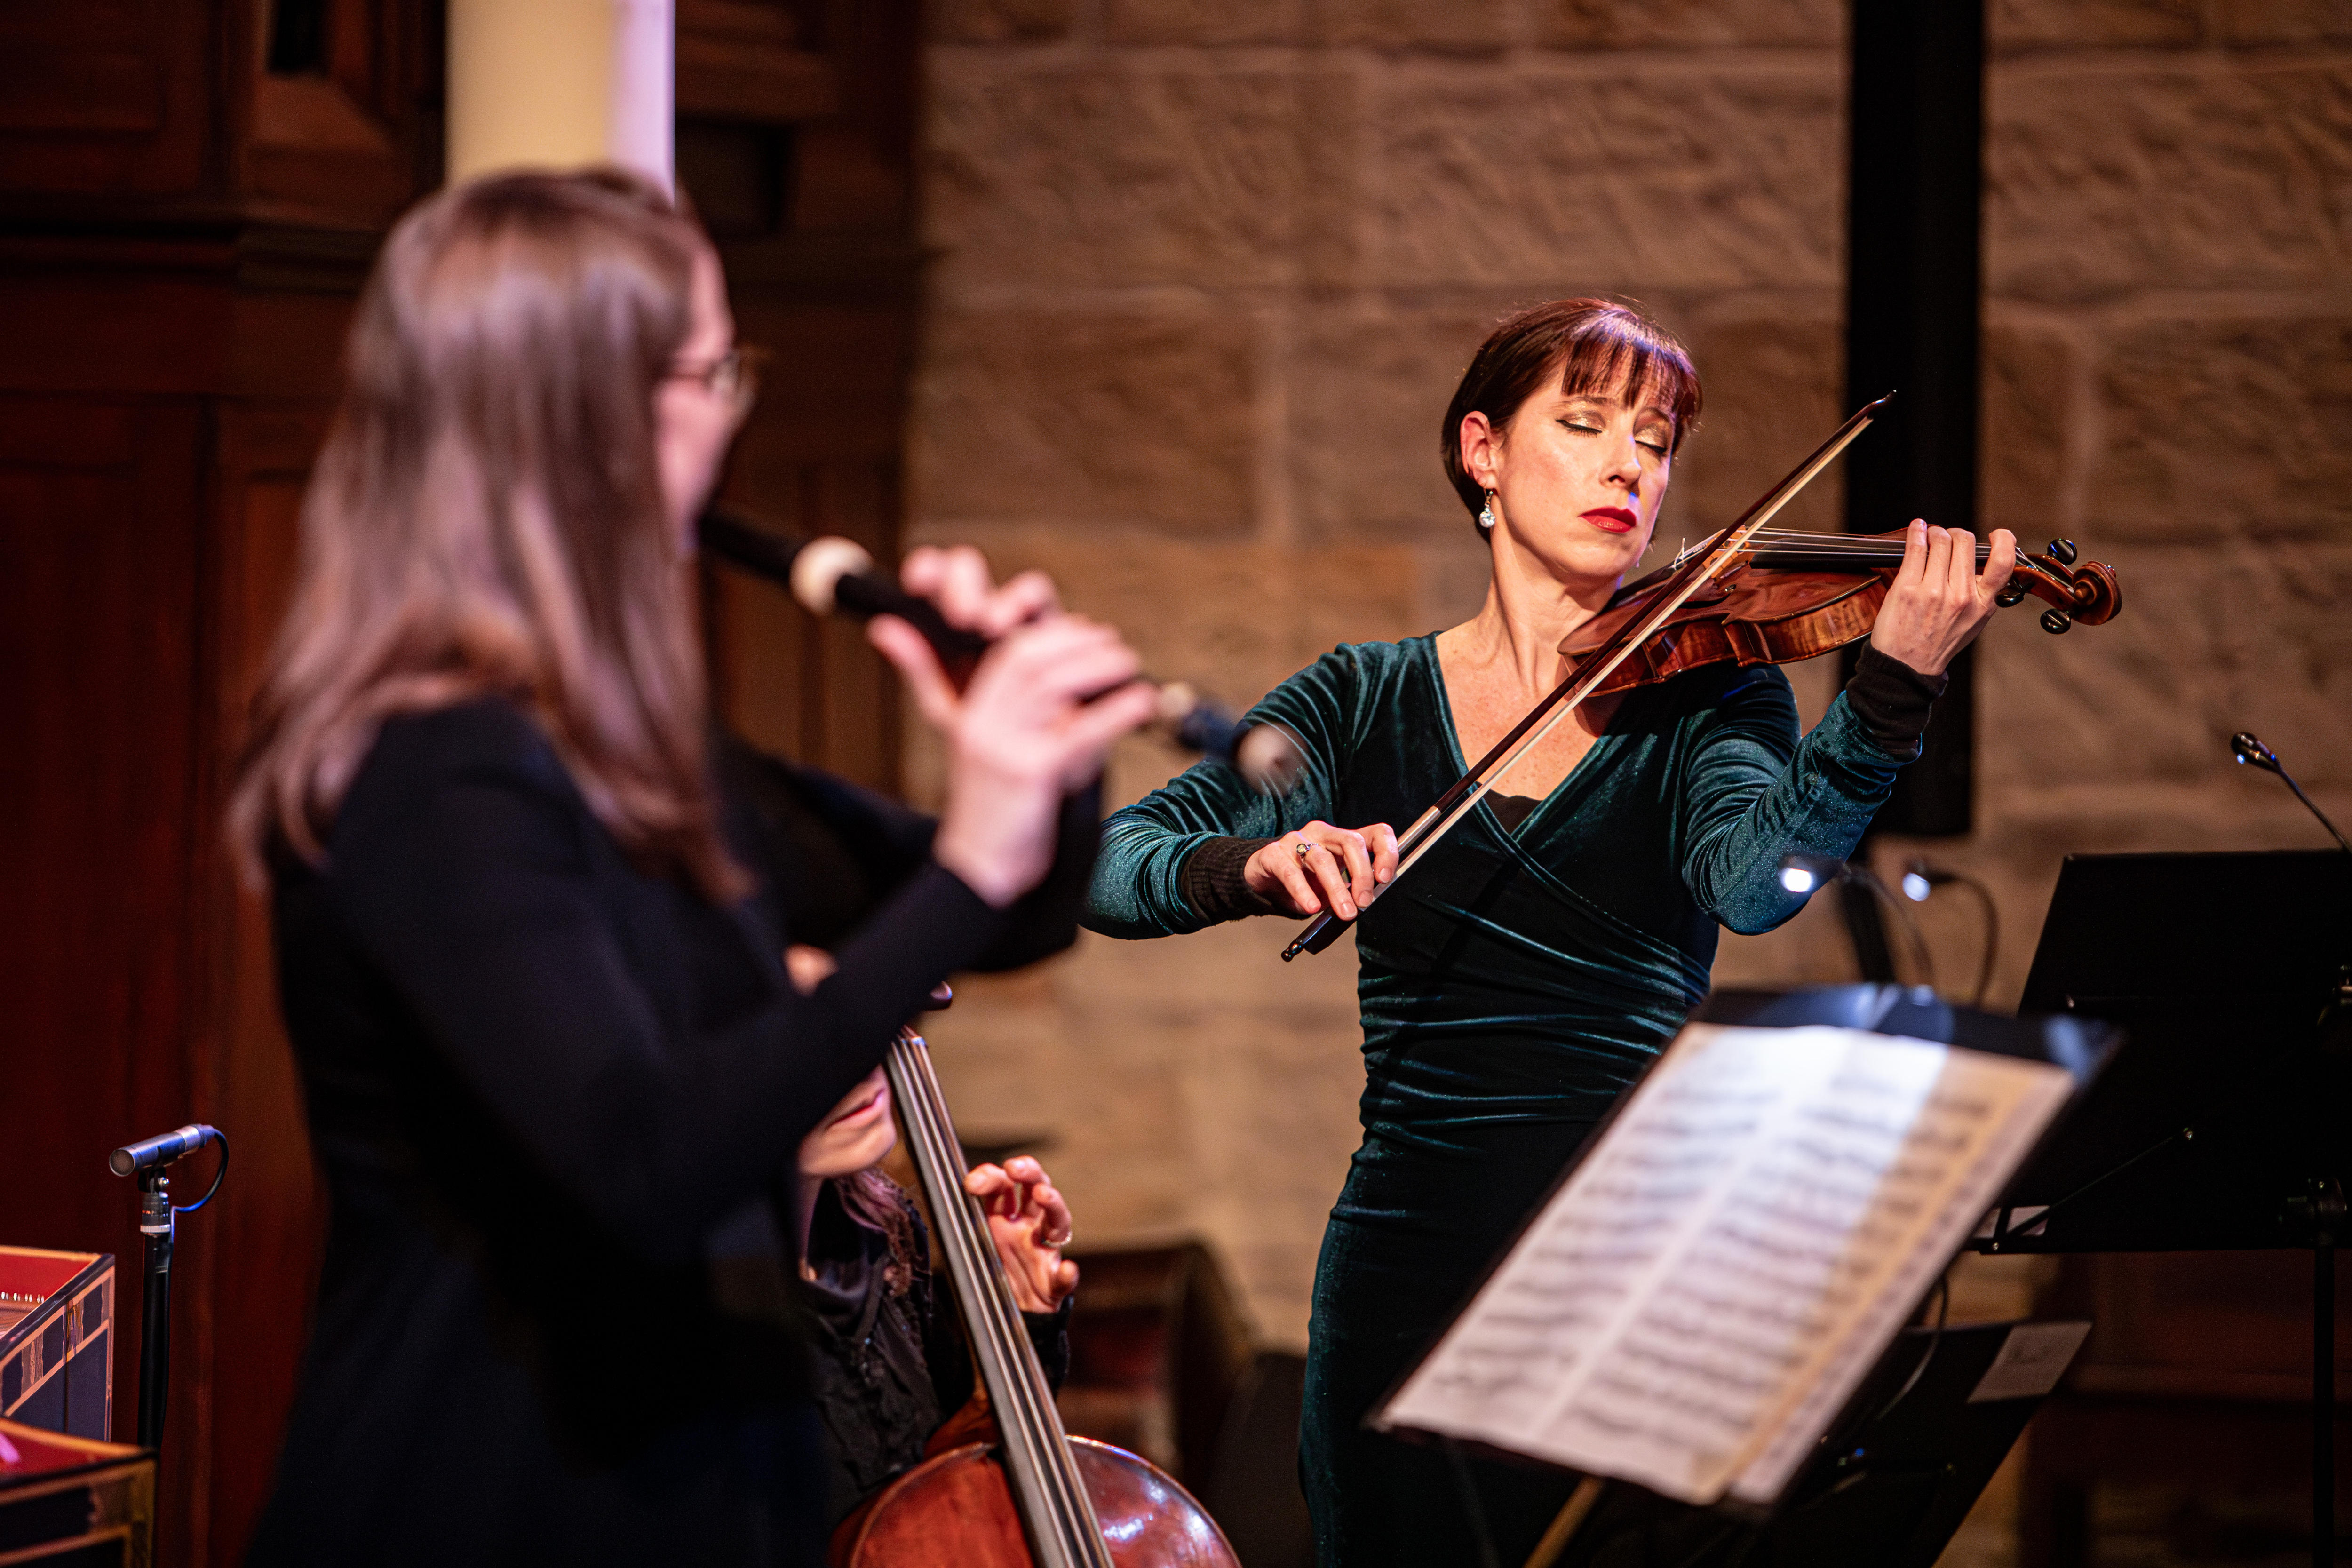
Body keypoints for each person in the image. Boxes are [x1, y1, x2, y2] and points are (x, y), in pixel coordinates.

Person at [230, 168, 1156, 1567]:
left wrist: (1037, 738)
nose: (732, 411)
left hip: (686, 1492)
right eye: (710, 368)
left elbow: (1012, 910)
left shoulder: (635, 748)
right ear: (583, 412)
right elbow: (641, 1157)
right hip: (490, 1499)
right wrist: (967, 861)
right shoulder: (431, 766)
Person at [1080, 299, 2018, 1567]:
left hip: (1631, 1276)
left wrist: (1890, 693)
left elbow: (1758, 881)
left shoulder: (1714, 686)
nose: (1630, 463)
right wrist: (1254, 860)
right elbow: (1106, 865)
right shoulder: (1363, 698)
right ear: (1483, 449)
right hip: (1408, 1272)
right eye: (1583, 424)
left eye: (1656, 438)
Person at [790, 1046, 1077, 1529]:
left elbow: (950, 1471)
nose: (858, 1060)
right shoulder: (690, 1320)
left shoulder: (881, 1236)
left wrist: (1017, 1325)